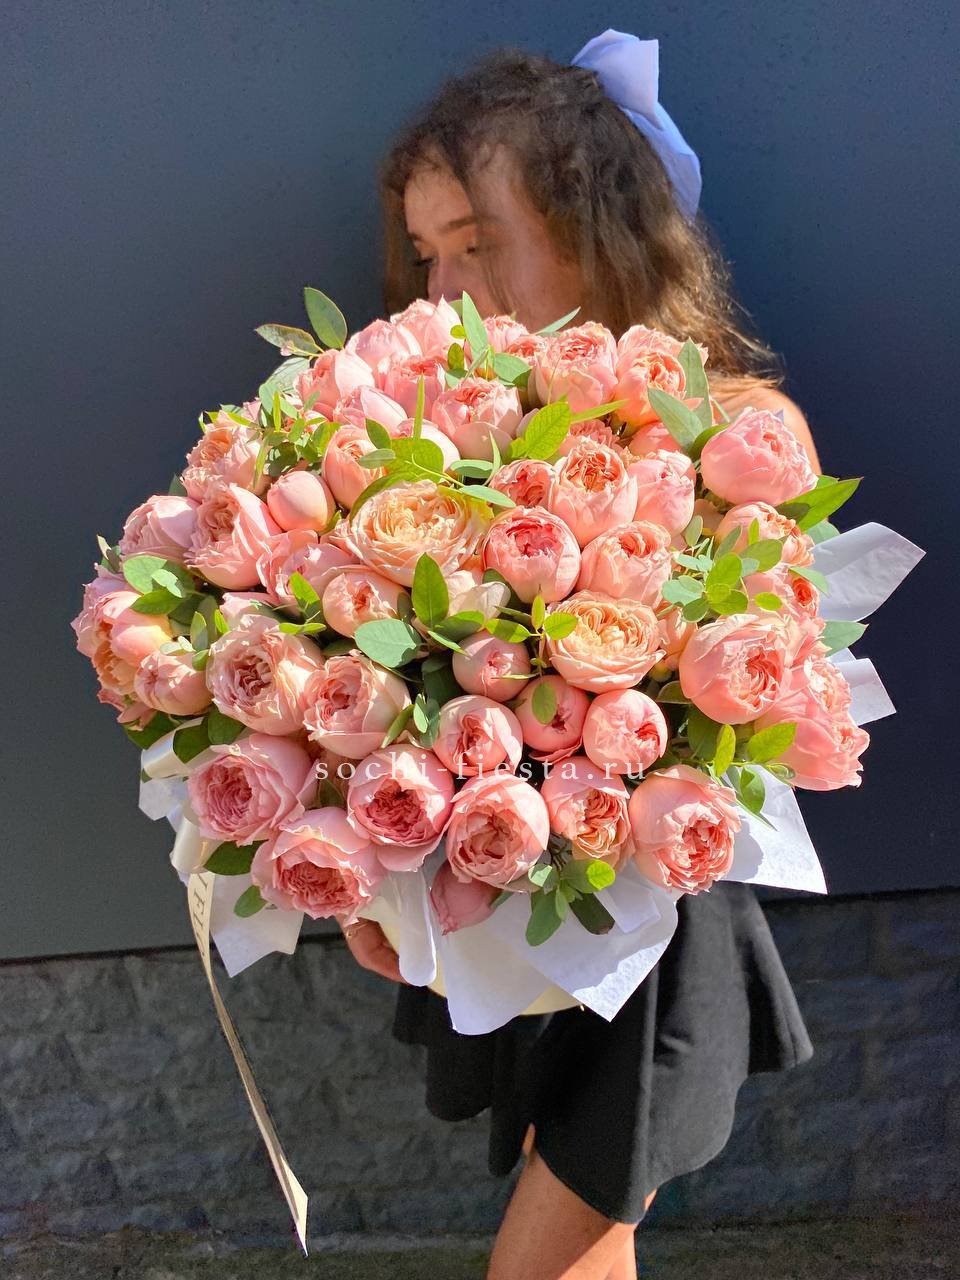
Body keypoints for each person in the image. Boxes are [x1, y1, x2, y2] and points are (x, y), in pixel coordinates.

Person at [337, 31, 817, 1280]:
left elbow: (758, 692)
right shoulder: (436, 451)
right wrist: (380, 884)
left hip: (660, 935)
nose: (444, 288)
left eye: (477, 244)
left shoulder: (735, 431)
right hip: (517, 904)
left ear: (601, 234)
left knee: (555, 1243)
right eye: (428, 253)